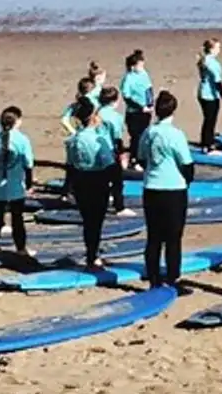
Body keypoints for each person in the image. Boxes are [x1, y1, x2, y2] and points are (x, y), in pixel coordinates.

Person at [137, 92, 195, 288]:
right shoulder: (176, 134)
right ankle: (173, 277)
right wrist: (186, 181)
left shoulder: (149, 132)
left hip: (152, 187)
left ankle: (153, 277)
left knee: (153, 236)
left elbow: (142, 158)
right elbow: (186, 164)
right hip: (173, 189)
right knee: (173, 237)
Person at [62, 93, 119, 268]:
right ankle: (92, 254)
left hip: (80, 181)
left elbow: (70, 165)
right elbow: (109, 165)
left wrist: (68, 188)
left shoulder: (73, 140)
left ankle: (91, 252)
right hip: (97, 181)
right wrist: (114, 185)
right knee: (96, 221)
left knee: (88, 221)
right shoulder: (97, 140)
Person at [0, 106, 35, 260]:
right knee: (17, 219)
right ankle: (21, 248)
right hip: (16, 187)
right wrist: (30, 184)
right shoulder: (22, 139)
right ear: (17, 121)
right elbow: (28, 164)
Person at [96, 78, 132, 220]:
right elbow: (117, 137)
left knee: (100, 179)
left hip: (96, 149)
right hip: (110, 151)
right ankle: (119, 207)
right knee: (117, 180)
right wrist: (122, 154)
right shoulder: (115, 117)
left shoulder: (97, 113)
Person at [195, 38, 222, 151]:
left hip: (203, 93)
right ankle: (207, 144)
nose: (219, 50)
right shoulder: (212, 63)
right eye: (218, 47)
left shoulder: (205, 60)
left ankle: (207, 141)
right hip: (209, 95)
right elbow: (217, 82)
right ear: (212, 49)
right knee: (210, 120)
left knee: (208, 119)